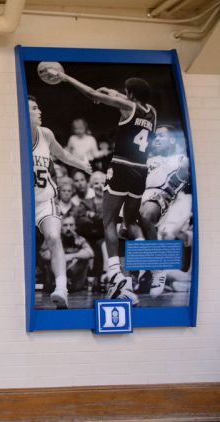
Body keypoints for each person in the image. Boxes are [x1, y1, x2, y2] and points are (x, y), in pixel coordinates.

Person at [53, 70, 157, 305]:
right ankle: (138, 270)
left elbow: (91, 94)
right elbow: (128, 99)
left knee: (109, 221)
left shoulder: (126, 107)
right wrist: (113, 92)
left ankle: (115, 274)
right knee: (131, 223)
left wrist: (67, 78)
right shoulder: (152, 112)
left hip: (121, 167)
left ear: (129, 94)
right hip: (141, 170)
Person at [29, 95, 93, 308]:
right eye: (35, 108)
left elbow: (63, 154)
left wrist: (82, 165)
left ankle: (61, 289)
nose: (40, 112)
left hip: (45, 200)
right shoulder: (14, 137)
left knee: (54, 238)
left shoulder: (45, 134)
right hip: (21, 204)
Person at [139, 125, 192, 297]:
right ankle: (150, 275)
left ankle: (168, 275)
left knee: (163, 230)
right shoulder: (147, 160)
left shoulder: (182, 158)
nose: (157, 139)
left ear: (172, 139)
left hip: (171, 201)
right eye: (155, 137)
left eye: (162, 136)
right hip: (149, 201)